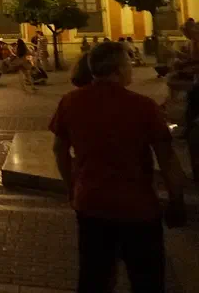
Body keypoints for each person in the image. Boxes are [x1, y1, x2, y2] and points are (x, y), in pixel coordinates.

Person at [50, 40, 186, 293]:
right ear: (119, 69)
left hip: (91, 203)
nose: (131, 69)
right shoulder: (143, 106)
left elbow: (59, 149)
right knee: (147, 280)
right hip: (138, 208)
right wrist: (176, 200)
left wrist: (72, 187)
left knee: (94, 278)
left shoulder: (70, 102)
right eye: (128, 64)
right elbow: (167, 158)